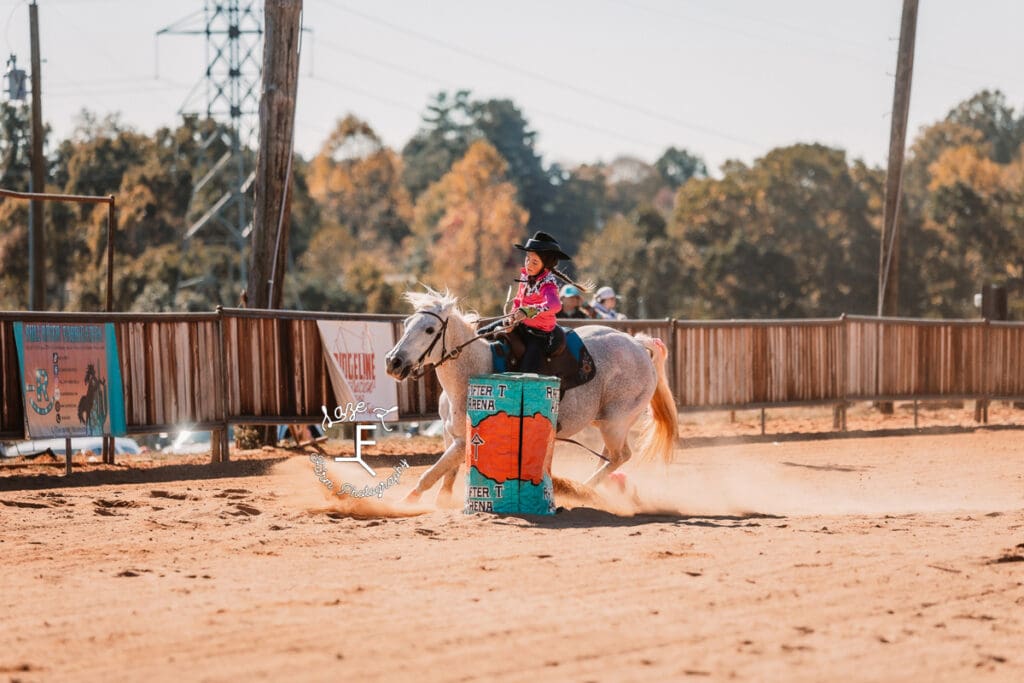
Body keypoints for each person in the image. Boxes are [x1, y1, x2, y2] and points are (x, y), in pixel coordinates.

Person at [506, 231, 588, 373]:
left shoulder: (548, 284)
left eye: (534, 262)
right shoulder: (525, 275)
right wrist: (511, 318)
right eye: (527, 259)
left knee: (527, 369)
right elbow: (518, 301)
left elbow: (555, 305)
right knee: (486, 332)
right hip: (522, 326)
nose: (528, 264)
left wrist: (527, 311)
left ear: (545, 266)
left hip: (540, 334)